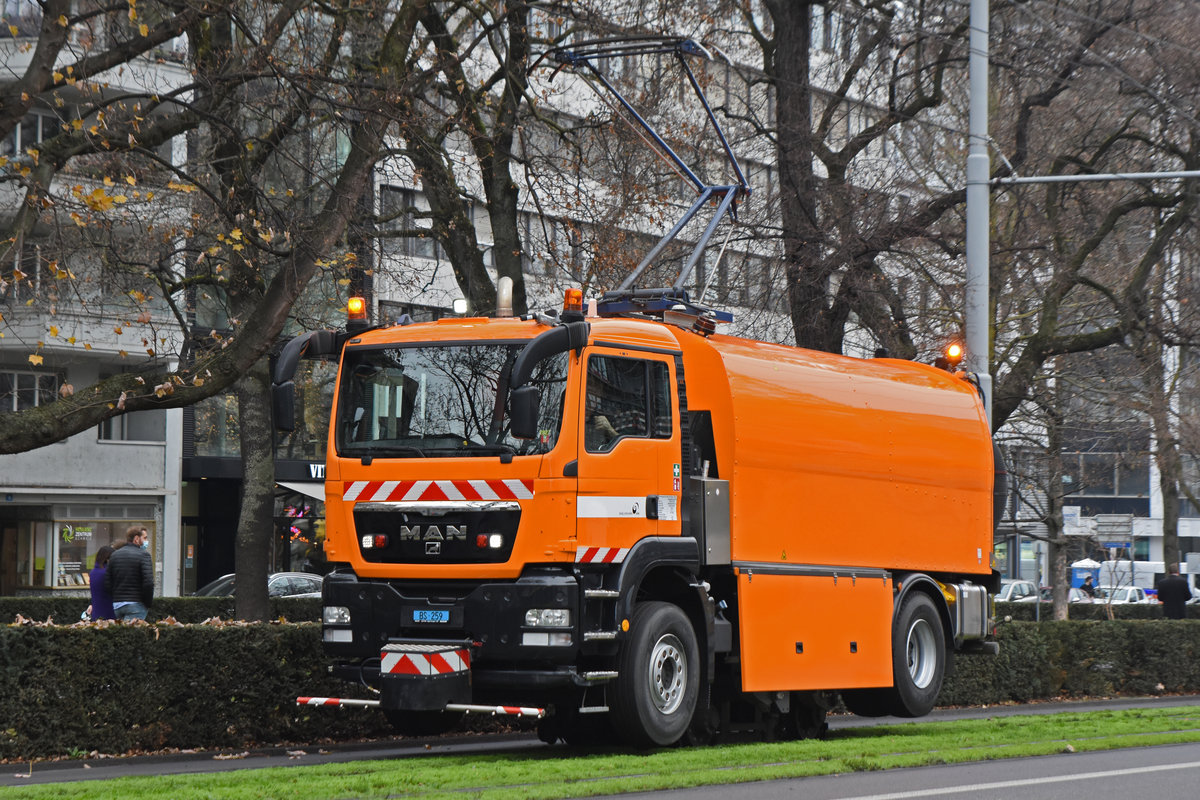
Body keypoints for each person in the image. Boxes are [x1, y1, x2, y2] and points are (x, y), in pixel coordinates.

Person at [105, 526, 154, 622]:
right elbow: (148, 583)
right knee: (134, 635)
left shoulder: (115, 555)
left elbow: (107, 582)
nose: (146, 541)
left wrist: (116, 597)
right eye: (144, 538)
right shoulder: (144, 555)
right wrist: (148, 603)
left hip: (117, 605)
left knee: (123, 634)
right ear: (136, 539)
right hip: (136, 604)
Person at [83, 544, 116, 621]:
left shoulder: (93, 572)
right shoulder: (107, 573)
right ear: (108, 559)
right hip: (109, 611)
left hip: (96, 612)